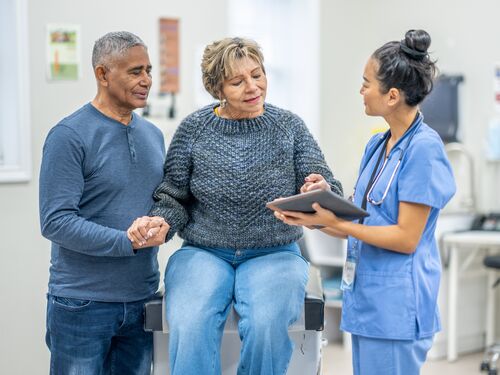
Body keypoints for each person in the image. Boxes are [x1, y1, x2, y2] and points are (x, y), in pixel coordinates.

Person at [127, 37, 343, 375]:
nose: (253, 87)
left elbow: (328, 187)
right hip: (204, 252)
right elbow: (173, 198)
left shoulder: (290, 127)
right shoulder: (193, 130)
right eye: (238, 81)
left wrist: (320, 188)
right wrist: (162, 223)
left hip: (275, 252)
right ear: (217, 88)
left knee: (267, 325)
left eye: (257, 75)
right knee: (190, 322)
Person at [274, 29, 456, 375]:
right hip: (368, 298)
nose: (360, 90)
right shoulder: (377, 145)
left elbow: (406, 238)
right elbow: (361, 218)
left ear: (392, 96)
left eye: (366, 82)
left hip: (397, 305)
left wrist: (338, 224)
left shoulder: (424, 150)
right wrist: (318, 208)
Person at [39, 31, 169, 375]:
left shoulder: (153, 136)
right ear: (102, 74)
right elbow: (56, 221)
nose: (147, 81)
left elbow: (160, 204)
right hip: (82, 303)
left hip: (142, 298)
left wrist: (161, 225)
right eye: (135, 71)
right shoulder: (69, 135)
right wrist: (125, 242)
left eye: (149, 70)